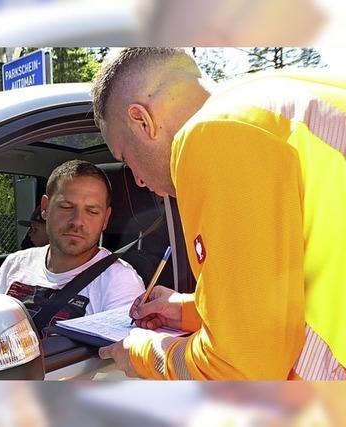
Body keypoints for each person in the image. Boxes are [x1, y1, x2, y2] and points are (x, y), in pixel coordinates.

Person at [92, 48, 346, 380]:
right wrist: (187, 311)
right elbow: (289, 299)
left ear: (143, 121)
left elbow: (242, 368)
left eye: (126, 157)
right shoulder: (275, 100)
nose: (138, 180)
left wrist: (139, 352)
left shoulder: (212, 133)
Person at [0, 160, 145, 330]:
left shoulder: (119, 281)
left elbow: (119, 353)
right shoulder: (14, 265)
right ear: (45, 208)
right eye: (66, 207)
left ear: (106, 218)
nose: (78, 221)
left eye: (92, 211)